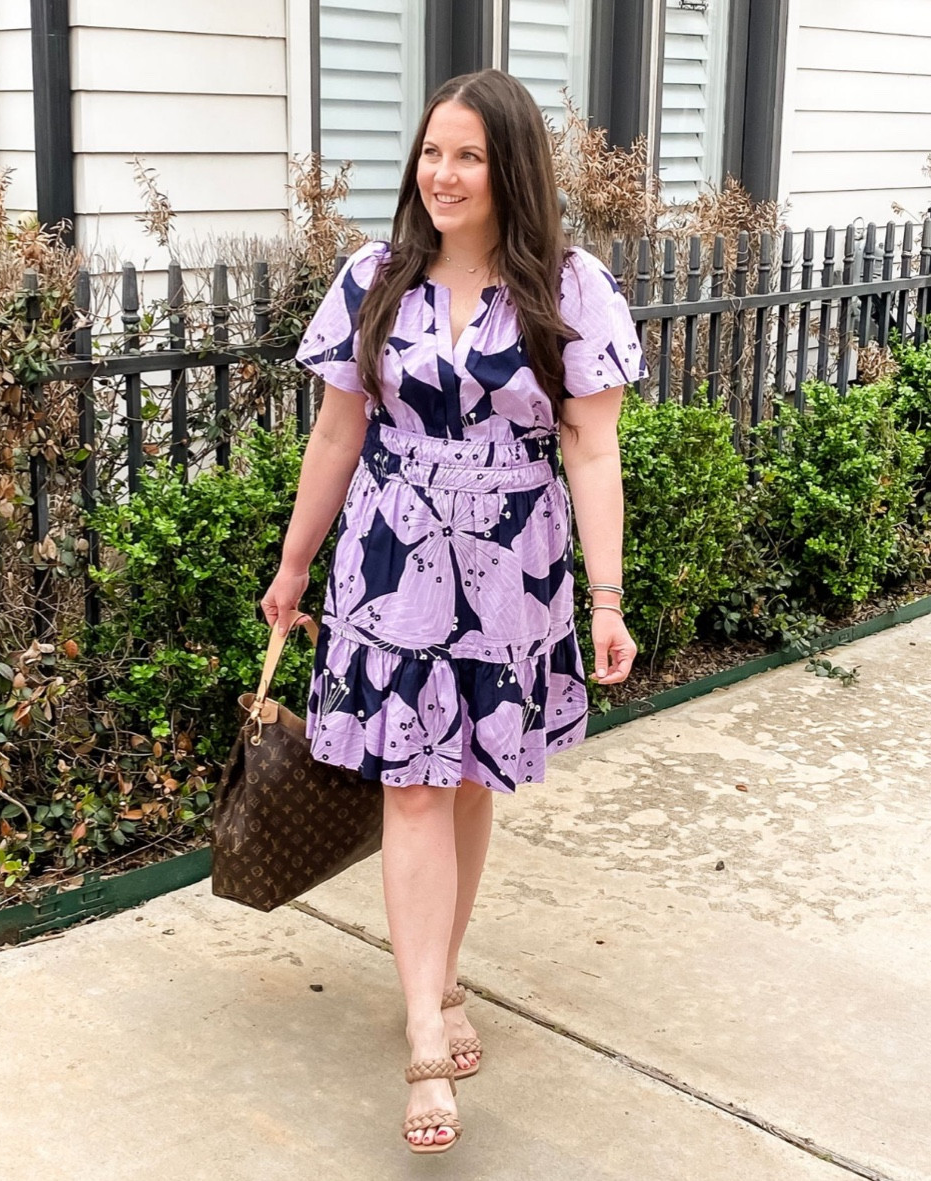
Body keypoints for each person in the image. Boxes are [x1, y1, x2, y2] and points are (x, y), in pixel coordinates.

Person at [260, 68, 647, 1154]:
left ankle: (439, 968)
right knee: (416, 785)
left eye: (468, 155)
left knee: (468, 775)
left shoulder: (571, 290)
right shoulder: (372, 278)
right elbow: (337, 434)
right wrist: (296, 565)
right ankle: (426, 1026)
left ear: (510, 166)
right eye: (433, 152)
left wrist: (605, 601)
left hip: (513, 573)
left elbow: (593, 447)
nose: (443, 173)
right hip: (392, 562)